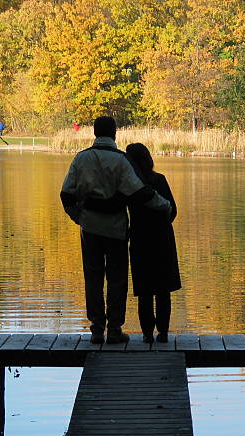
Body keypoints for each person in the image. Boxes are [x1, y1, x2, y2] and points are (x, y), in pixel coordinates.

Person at [60, 116, 171, 344]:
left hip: (90, 227)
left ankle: (97, 329)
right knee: (117, 278)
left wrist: (78, 217)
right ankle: (114, 329)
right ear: (115, 133)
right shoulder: (121, 161)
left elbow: (66, 194)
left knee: (93, 277)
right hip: (116, 229)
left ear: (94, 133)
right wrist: (165, 206)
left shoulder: (81, 159)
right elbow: (140, 192)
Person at [126, 143, 181, 344]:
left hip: (140, 239)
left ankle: (147, 334)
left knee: (145, 290)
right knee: (163, 289)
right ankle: (164, 333)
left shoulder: (129, 185)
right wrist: (162, 223)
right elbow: (173, 210)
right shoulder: (160, 180)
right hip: (162, 238)